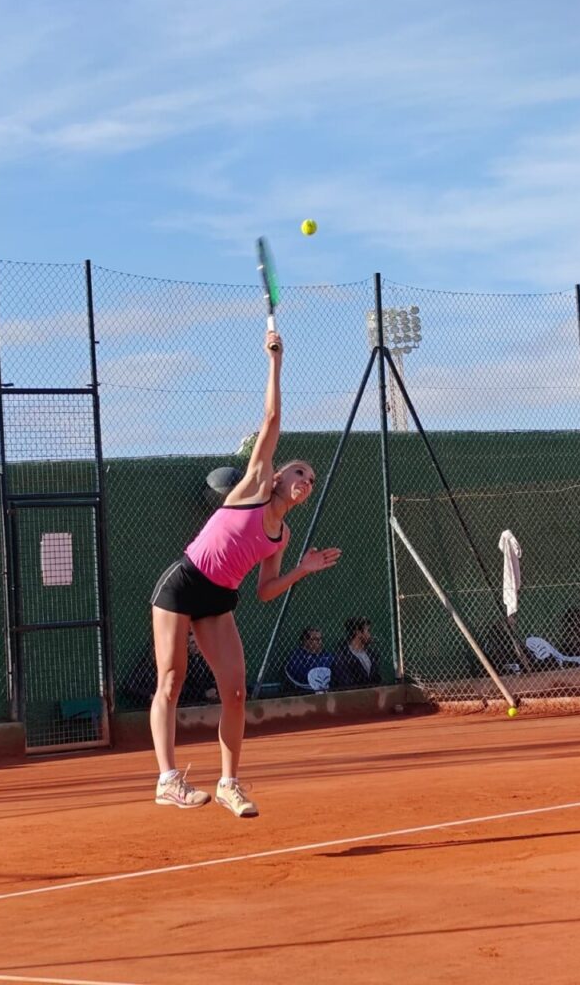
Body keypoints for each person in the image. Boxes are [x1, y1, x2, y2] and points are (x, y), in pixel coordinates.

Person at [150, 330, 341, 817]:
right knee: (172, 679)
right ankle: (168, 779)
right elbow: (272, 419)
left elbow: (264, 591)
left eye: (311, 481)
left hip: (221, 600)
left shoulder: (282, 537)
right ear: (277, 477)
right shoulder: (255, 486)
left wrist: (301, 570)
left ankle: (230, 783)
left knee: (235, 691)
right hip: (184, 582)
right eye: (299, 472)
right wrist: (275, 360)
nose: (305, 481)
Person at [332, 616, 381, 689]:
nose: (370, 635)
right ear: (357, 632)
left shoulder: (372, 655)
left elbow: (377, 679)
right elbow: (346, 684)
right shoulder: (342, 657)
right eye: (368, 630)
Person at [284, 626, 334, 693]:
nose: (319, 641)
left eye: (320, 639)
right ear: (305, 640)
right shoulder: (296, 656)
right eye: (315, 639)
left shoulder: (328, 656)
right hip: (304, 694)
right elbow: (298, 676)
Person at [179, 631, 219, 706]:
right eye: (193, 642)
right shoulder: (185, 663)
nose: (196, 645)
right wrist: (204, 694)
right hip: (191, 701)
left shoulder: (204, 661)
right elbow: (185, 690)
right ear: (188, 646)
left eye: (198, 642)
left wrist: (213, 690)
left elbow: (212, 679)